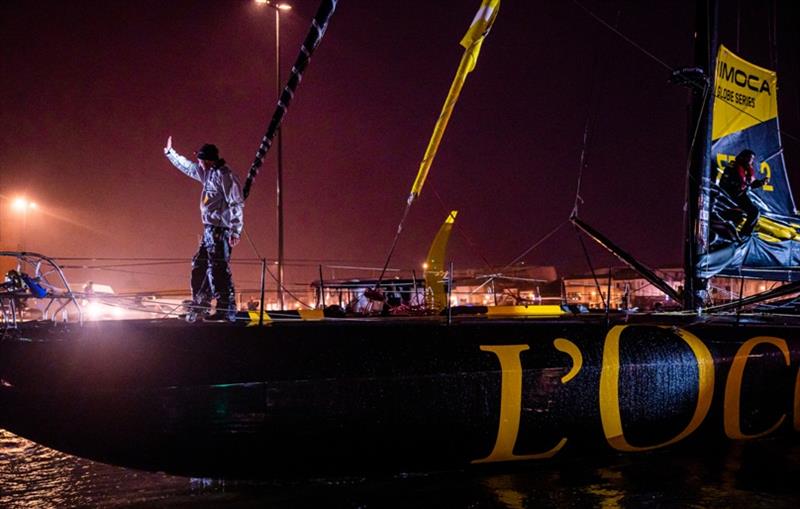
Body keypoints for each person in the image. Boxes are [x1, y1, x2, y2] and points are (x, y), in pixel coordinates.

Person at [164, 136, 244, 322]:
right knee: (199, 265)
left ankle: (226, 308)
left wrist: (235, 230)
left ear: (207, 160)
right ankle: (201, 305)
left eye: (200, 160)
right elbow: (188, 167)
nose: (198, 163)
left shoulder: (226, 175)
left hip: (221, 230)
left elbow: (236, 202)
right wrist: (170, 154)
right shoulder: (206, 173)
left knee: (218, 268)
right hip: (209, 229)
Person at [718, 149, 768, 238]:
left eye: (752, 159)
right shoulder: (732, 168)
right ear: (743, 157)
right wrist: (738, 186)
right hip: (731, 196)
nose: (751, 161)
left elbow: (751, 184)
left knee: (755, 212)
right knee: (752, 212)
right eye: (749, 158)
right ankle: (741, 235)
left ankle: (745, 235)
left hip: (741, 196)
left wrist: (761, 183)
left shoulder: (747, 170)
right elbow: (724, 184)